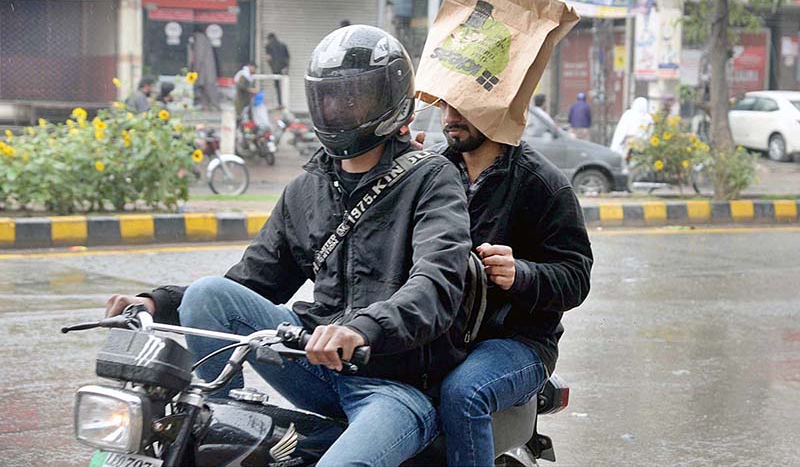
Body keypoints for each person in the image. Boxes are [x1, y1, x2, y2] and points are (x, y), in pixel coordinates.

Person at [105, 25, 473, 467]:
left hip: (396, 385)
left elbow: (436, 284)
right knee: (208, 294)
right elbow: (250, 284)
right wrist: (153, 303)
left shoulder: (431, 178)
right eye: (330, 97)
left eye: (355, 96)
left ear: (392, 100)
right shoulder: (306, 189)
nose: (339, 109)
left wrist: (361, 330)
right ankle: (216, 419)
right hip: (315, 367)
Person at [418, 99, 593, 466]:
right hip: (438, 332)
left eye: (465, 107)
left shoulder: (543, 184)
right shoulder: (429, 170)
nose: (450, 118)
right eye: (446, 106)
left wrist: (522, 274)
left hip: (517, 341)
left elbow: (576, 276)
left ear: (498, 109)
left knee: (465, 393)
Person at [188, 25, 221, 112]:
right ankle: (206, 107)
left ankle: (215, 107)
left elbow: (199, 56)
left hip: (204, 71)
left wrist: (195, 70)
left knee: (208, 89)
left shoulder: (199, 39)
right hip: (205, 71)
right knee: (204, 89)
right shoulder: (202, 39)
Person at [265, 32, 290, 106]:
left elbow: (268, 58)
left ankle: (279, 103)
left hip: (275, 69)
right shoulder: (283, 45)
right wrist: (286, 68)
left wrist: (272, 66)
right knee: (284, 85)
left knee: (277, 86)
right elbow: (287, 57)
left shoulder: (268, 46)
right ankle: (283, 103)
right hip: (283, 69)